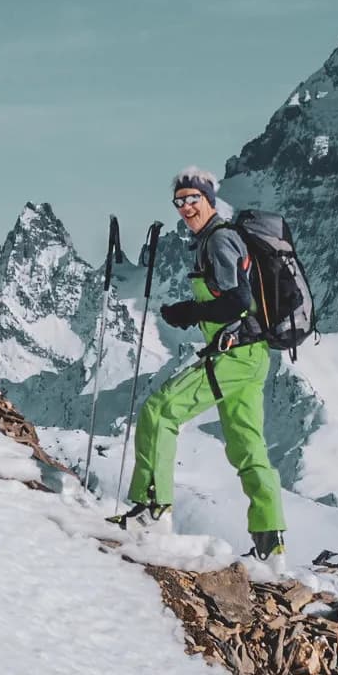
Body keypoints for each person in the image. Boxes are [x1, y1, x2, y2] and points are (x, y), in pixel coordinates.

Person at [109, 167, 287, 562]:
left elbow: (237, 301)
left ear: (209, 199)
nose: (187, 207)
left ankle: (153, 511)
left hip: (236, 355)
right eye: (180, 201)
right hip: (253, 357)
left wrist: (190, 310)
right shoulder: (215, 239)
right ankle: (271, 544)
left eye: (193, 199)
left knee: (159, 411)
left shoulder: (220, 240)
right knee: (248, 447)